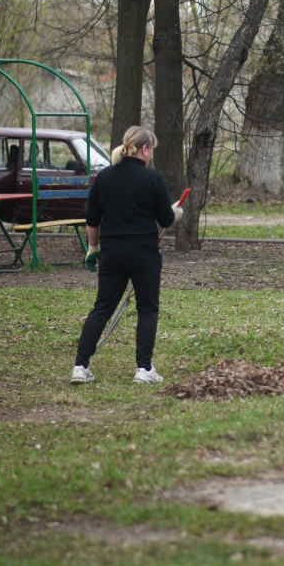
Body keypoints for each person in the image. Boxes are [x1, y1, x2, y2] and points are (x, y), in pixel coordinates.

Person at [70, 126, 182, 385]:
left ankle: (80, 365)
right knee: (147, 309)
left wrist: (93, 248)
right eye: (151, 148)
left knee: (102, 308)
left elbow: (92, 219)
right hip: (144, 253)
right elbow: (165, 218)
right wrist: (175, 213)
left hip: (112, 253)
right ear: (144, 149)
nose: (152, 154)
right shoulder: (152, 179)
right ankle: (144, 369)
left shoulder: (104, 178)